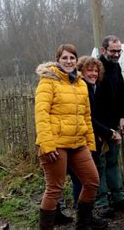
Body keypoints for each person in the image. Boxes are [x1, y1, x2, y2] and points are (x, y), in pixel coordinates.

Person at [35, 44, 106, 229]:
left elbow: (86, 116)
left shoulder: (80, 83)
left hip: (79, 143)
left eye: (72, 58)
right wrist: (47, 145)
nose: (68, 61)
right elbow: (41, 115)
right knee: (54, 188)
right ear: (58, 60)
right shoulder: (47, 82)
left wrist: (91, 145)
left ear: (76, 60)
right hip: (56, 144)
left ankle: (83, 222)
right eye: (64, 58)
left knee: (92, 181)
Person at [75, 56, 122, 218]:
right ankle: (100, 205)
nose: (93, 73)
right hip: (89, 136)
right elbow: (88, 117)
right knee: (97, 169)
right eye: (89, 70)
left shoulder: (94, 87)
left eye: (96, 70)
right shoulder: (82, 89)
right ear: (81, 71)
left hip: (100, 131)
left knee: (108, 164)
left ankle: (116, 199)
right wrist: (106, 132)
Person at [95, 35, 124, 212]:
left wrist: (123, 117)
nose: (117, 54)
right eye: (113, 51)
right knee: (99, 164)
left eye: (119, 51)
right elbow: (92, 102)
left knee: (113, 161)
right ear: (103, 50)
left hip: (114, 124)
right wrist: (98, 128)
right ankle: (101, 202)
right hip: (98, 126)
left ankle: (118, 197)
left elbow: (120, 95)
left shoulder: (116, 67)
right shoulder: (95, 69)